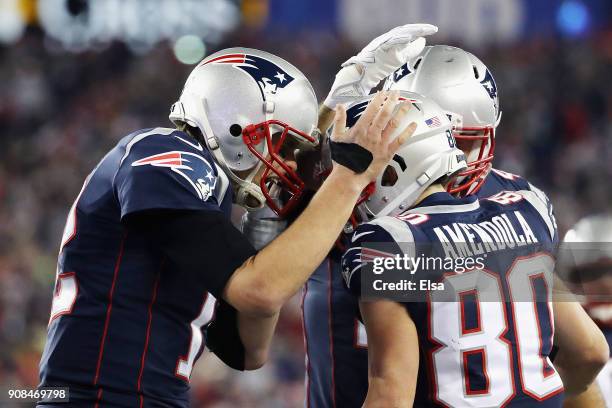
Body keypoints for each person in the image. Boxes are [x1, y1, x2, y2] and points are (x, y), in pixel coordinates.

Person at [36, 45, 417, 407]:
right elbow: (260, 291)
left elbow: (248, 350)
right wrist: (349, 175)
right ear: (235, 125)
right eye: (280, 145)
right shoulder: (165, 151)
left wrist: (329, 113)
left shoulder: (203, 196)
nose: (283, 164)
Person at [301, 42, 607, 407]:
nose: (450, 162)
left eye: (458, 143)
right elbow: (587, 351)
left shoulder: (378, 229)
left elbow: (390, 392)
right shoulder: (526, 205)